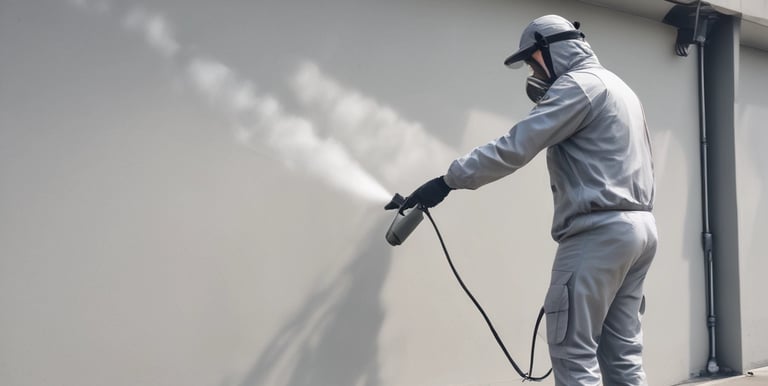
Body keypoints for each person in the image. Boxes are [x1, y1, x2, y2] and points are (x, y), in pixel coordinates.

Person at [399, 15, 657, 386]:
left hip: (597, 234)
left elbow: (515, 147)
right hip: (640, 231)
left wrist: (446, 181)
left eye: (533, 61)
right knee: (623, 356)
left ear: (550, 50)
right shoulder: (619, 88)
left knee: (573, 351)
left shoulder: (577, 86)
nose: (533, 72)